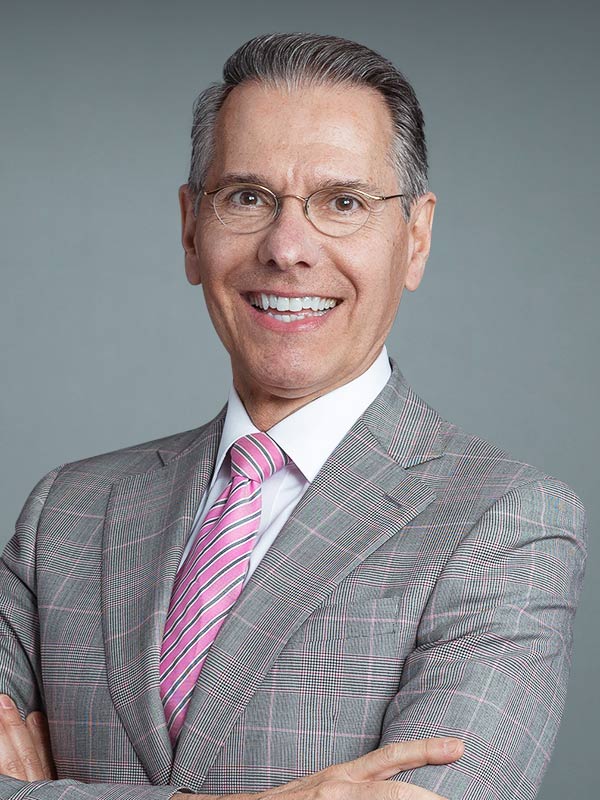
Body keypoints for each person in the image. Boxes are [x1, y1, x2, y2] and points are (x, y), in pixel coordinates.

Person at [0, 32, 587, 800]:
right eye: (248, 197)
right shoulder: (66, 514)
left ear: (415, 238)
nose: (287, 248)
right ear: (191, 228)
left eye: (343, 203)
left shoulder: (506, 523)